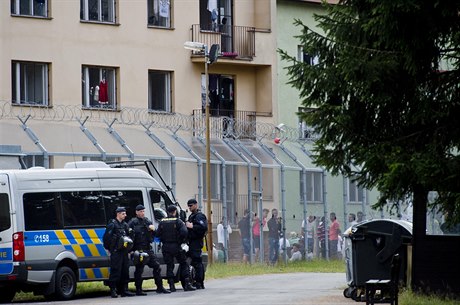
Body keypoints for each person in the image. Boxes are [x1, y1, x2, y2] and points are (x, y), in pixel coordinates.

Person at [128, 204, 170, 295]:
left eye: (143, 211)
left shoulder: (147, 221)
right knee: (139, 270)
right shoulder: (132, 222)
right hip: (138, 250)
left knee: (157, 266)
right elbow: (129, 237)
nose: (142, 213)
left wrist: (153, 229)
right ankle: (138, 289)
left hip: (148, 248)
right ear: (136, 212)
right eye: (140, 211)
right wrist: (131, 250)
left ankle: (160, 287)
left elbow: (155, 234)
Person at [156, 205, 195, 292]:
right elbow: (184, 232)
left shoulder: (162, 221)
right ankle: (187, 284)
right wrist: (180, 240)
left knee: (169, 266)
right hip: (176, 246)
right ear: (175, 211)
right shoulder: (178, 221)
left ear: (167, 212)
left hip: (165, 247)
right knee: (184, 264)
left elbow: (157, 234)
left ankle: (171, 286)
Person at [104, 207, 135, 298]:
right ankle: (113, 290)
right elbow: (106, 238)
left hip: (124, 252)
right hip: (116, 252)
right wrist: (110, 249)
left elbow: (129, 237)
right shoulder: (112, 225)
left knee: (125, 270)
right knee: (115, 270)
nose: (125, 215)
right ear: (118, 214)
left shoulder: (125, 225)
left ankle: (124, 290)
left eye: (125, 213)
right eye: (123, 214)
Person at [185, 198, 208, 289]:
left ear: (196, 205)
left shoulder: (199, 216)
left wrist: (192, 226)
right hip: (191, 241)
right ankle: (196, 280)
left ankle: (199, 282)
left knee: (198, 262)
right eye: (189, 206)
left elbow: (203, 227)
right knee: (194, 262)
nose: (190, 208)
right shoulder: (192, 216)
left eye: (191, 206)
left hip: (196, 241)